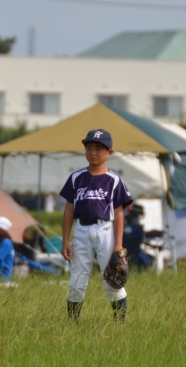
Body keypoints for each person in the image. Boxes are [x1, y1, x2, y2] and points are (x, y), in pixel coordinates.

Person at [60, 128, 133, 322]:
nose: (93, 152)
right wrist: (65, 239)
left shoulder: (114, 180)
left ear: (109, 152)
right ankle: (72, 323)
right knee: (77, 279)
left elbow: (119, 213)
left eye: (99, 149)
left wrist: (118, 244)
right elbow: (68, 210)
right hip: (81, 230)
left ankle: (120, 324)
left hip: (105, 230)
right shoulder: (76, 178)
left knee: (113, 278)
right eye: (89, 148)